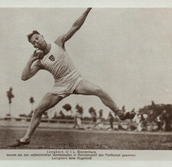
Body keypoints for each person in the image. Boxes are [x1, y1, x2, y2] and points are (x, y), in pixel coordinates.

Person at [12, 8, 135, 146]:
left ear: (42, 35)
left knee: (99, 91)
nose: (36, 42)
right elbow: (24, 77)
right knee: (38, 110)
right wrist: (30, 59)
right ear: (33, 46)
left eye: (37, 38)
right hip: (59, 86)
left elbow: (75, 26)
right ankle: (27, 137)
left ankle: (120, 114)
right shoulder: (40, 61)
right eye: (33, 42)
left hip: (76, 80)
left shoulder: (58, 42)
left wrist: (88, 8)